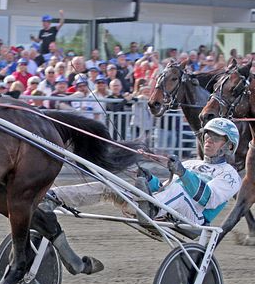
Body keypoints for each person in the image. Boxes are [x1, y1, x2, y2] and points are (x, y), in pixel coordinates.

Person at [32, 118, 242, 275]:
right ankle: (52, 198)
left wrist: (183, 174)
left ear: (229, 146)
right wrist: (149, 179)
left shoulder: (230, 175)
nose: (208, 140)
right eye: (207, 135)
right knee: (109, 185)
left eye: (215, 138)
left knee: (178, 191)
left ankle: (151, 208)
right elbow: (163, 187)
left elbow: (209, 199)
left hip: (191, 220)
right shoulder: (190, 163)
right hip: (162, 206)